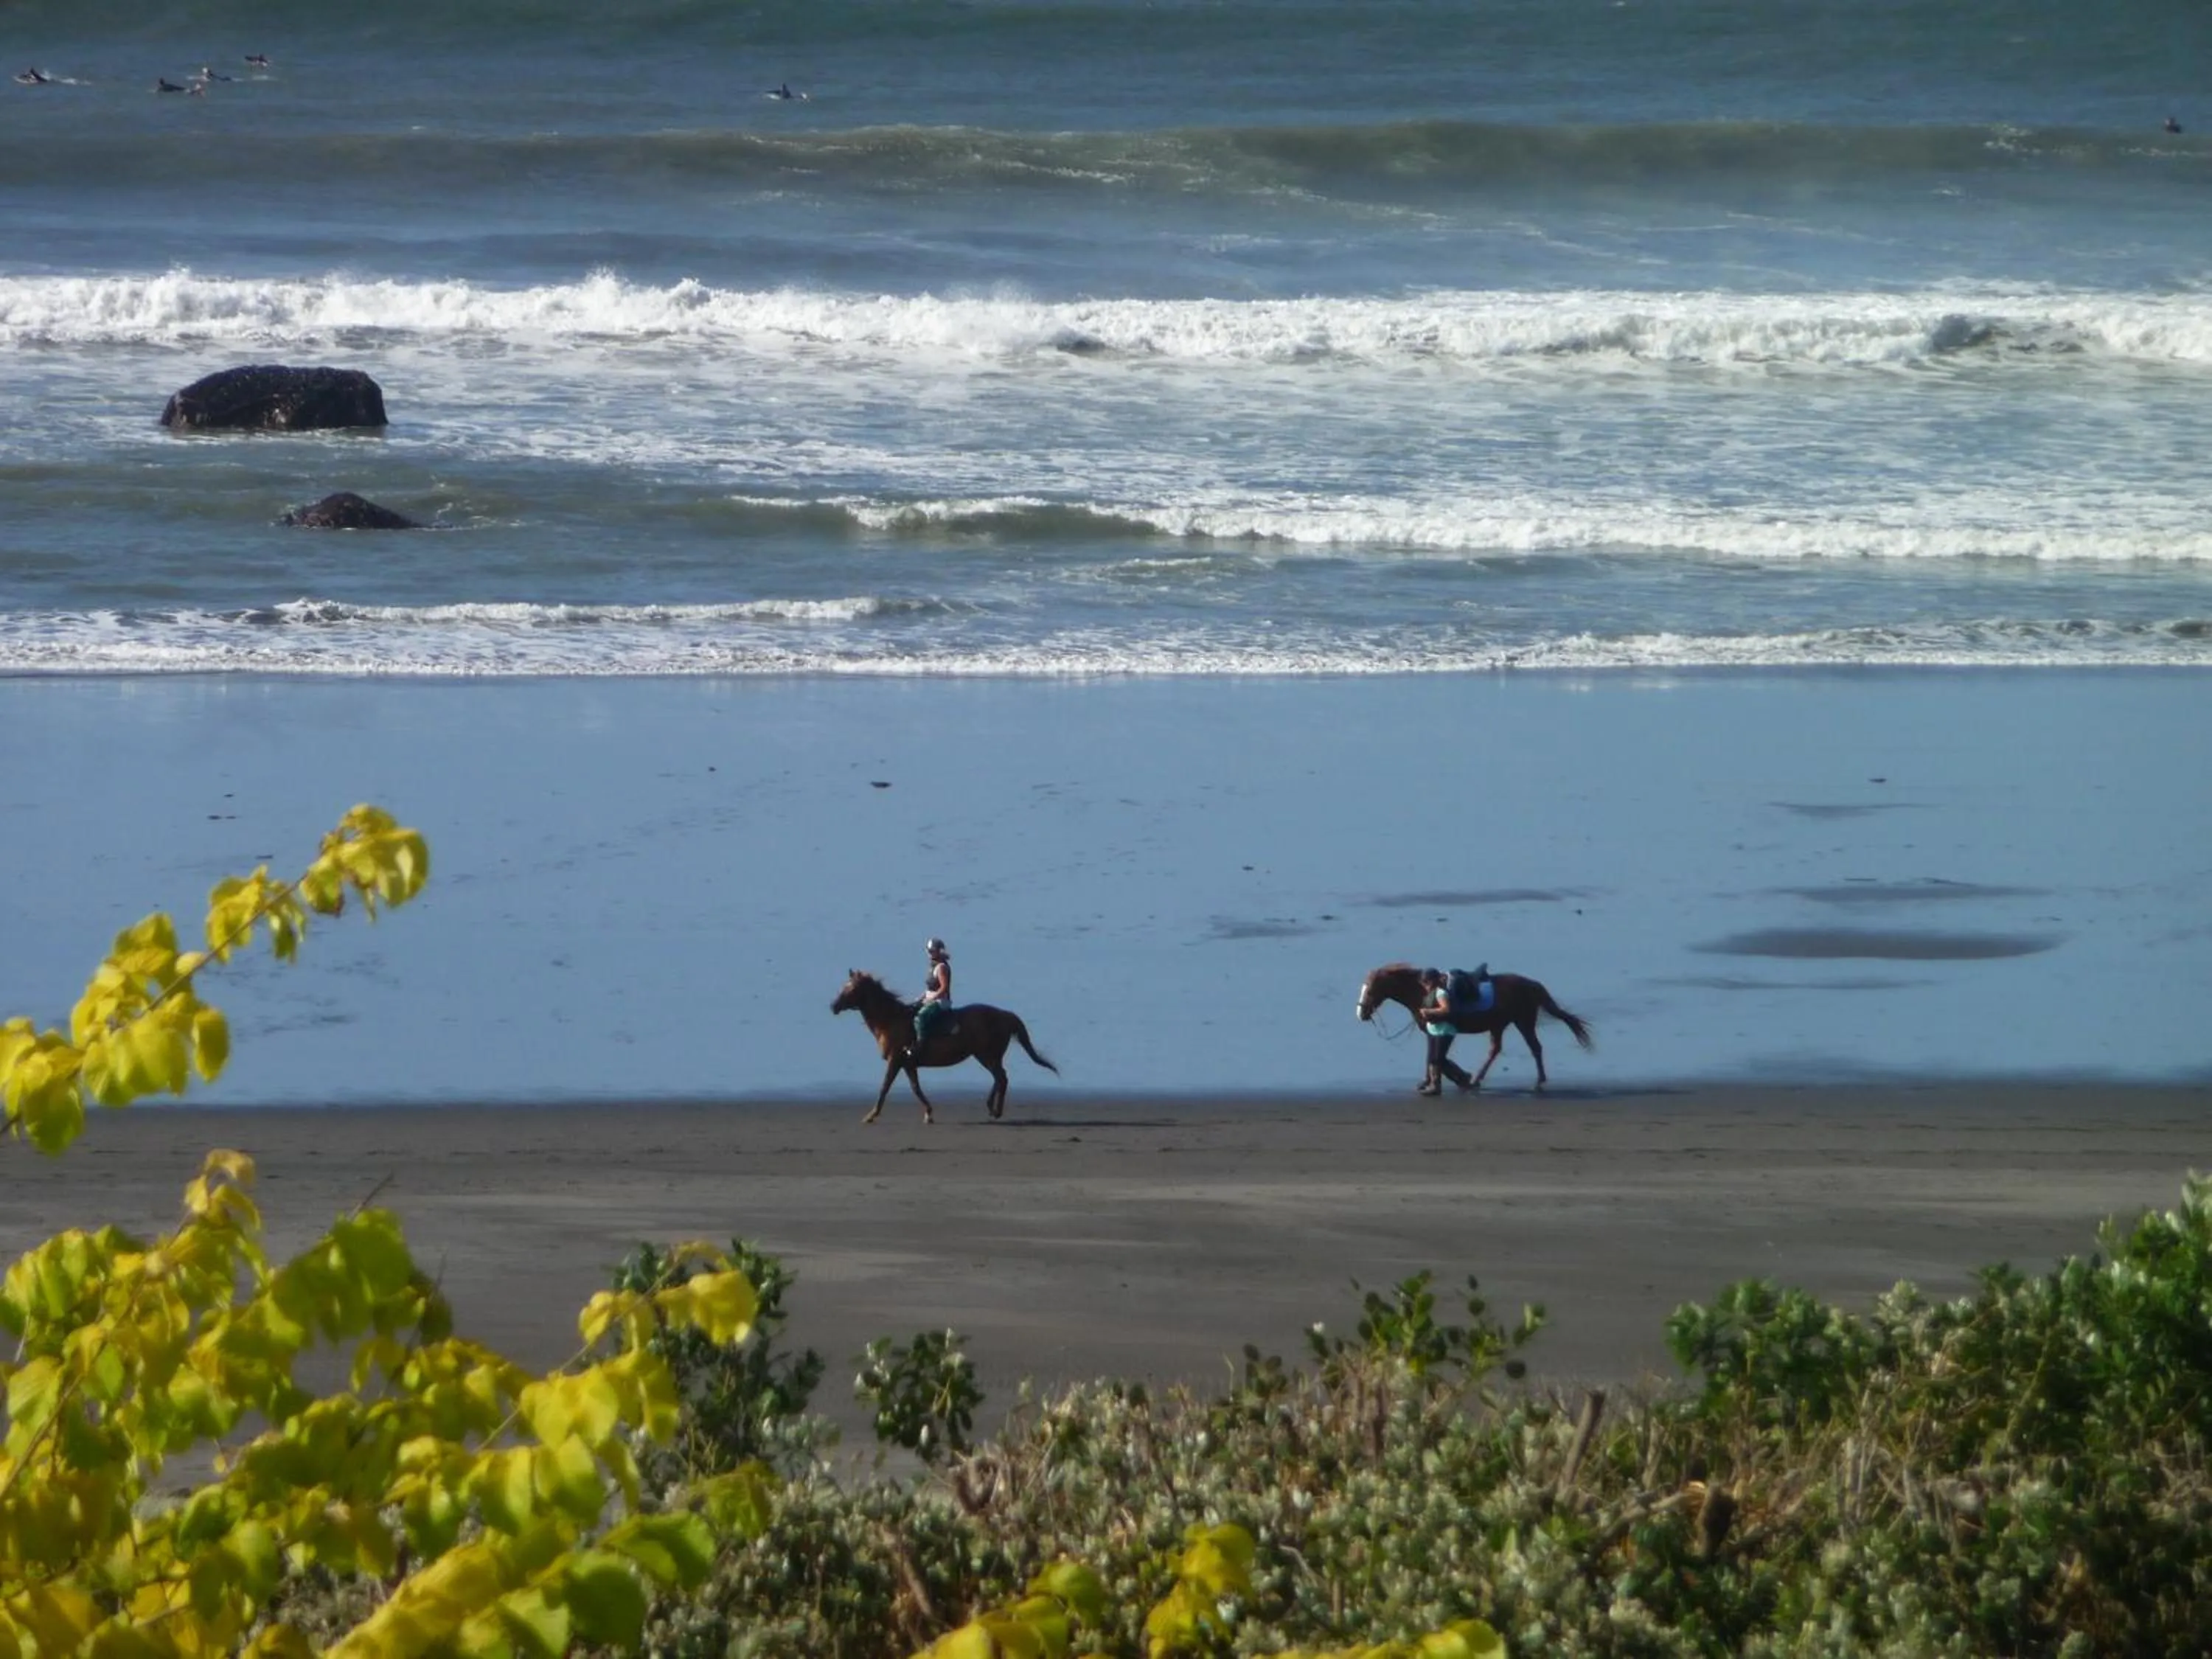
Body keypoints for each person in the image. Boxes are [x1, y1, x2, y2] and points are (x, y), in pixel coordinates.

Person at [1415, 968, 1472, 1096]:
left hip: (1445, 1030)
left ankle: (1445, 1083)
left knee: (1438, 1059)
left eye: (1426, 982)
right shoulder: (1430, 994)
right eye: (1423, 983)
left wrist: (1429, 1012)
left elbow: (1446, 1010)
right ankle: (1441, 1082)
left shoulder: (1441, 993)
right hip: (1433, 1029)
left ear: (1433, 981)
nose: (1425, 985)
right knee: (1433, 1059)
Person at [913, 937, 953, 1051]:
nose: (930, 953)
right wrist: (919, 999)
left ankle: (921, 1045)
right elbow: (929, 989)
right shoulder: (933, 966)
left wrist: (932, 999)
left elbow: (944, 988)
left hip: (941, 1001)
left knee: (921, 1017)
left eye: (932, 951)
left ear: (939, 951)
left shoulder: (941, 968)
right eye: (929, 951)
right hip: (930, 998)